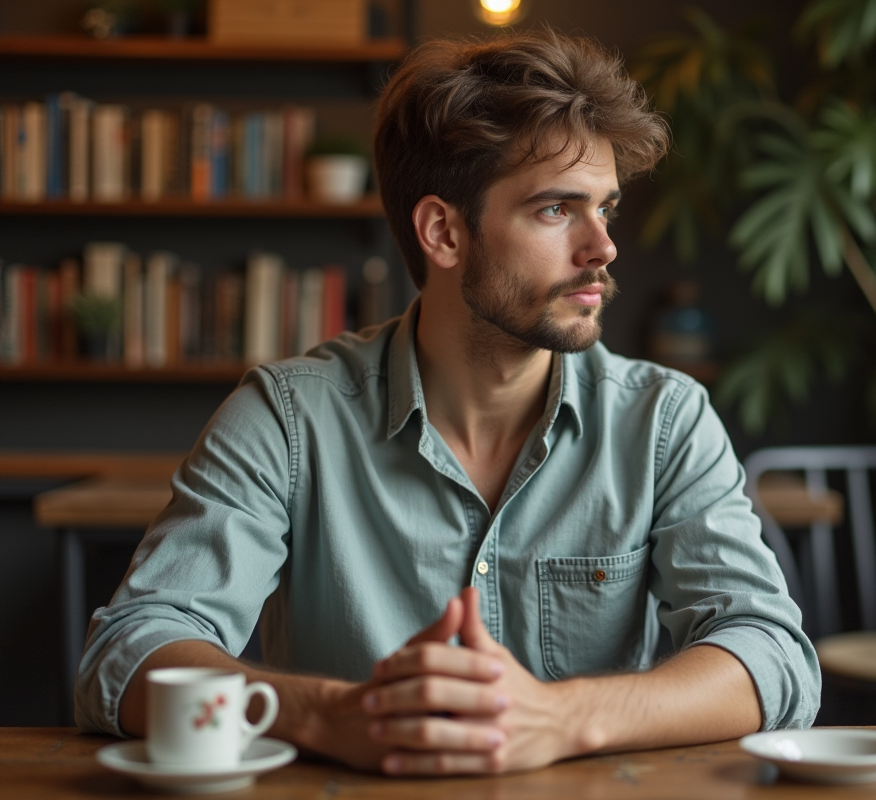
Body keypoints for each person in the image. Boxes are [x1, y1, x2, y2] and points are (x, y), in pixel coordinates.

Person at [75, 30, 820, 775]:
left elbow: (771, 652)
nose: (603, 247)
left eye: (606, 209)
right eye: (558, 210)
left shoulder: (663, 421)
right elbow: (131, 649)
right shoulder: (288, 419)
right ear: (443, 231)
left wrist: (562, 718)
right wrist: (335, 715)